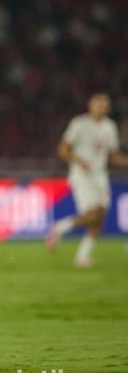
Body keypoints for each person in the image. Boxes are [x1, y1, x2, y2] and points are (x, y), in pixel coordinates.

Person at [46, 93, 128, 267]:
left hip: (100, 175)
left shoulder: (109, 127)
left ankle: (82, 257)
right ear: (90, 105)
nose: (102, 108)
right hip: (82, 175)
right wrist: (78, 161)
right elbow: (62, 149)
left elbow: (112, 155)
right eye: (99, 104)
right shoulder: (79, 124)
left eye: (105, 105)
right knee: (92, 215)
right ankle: (59, 227)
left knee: (100, 217)